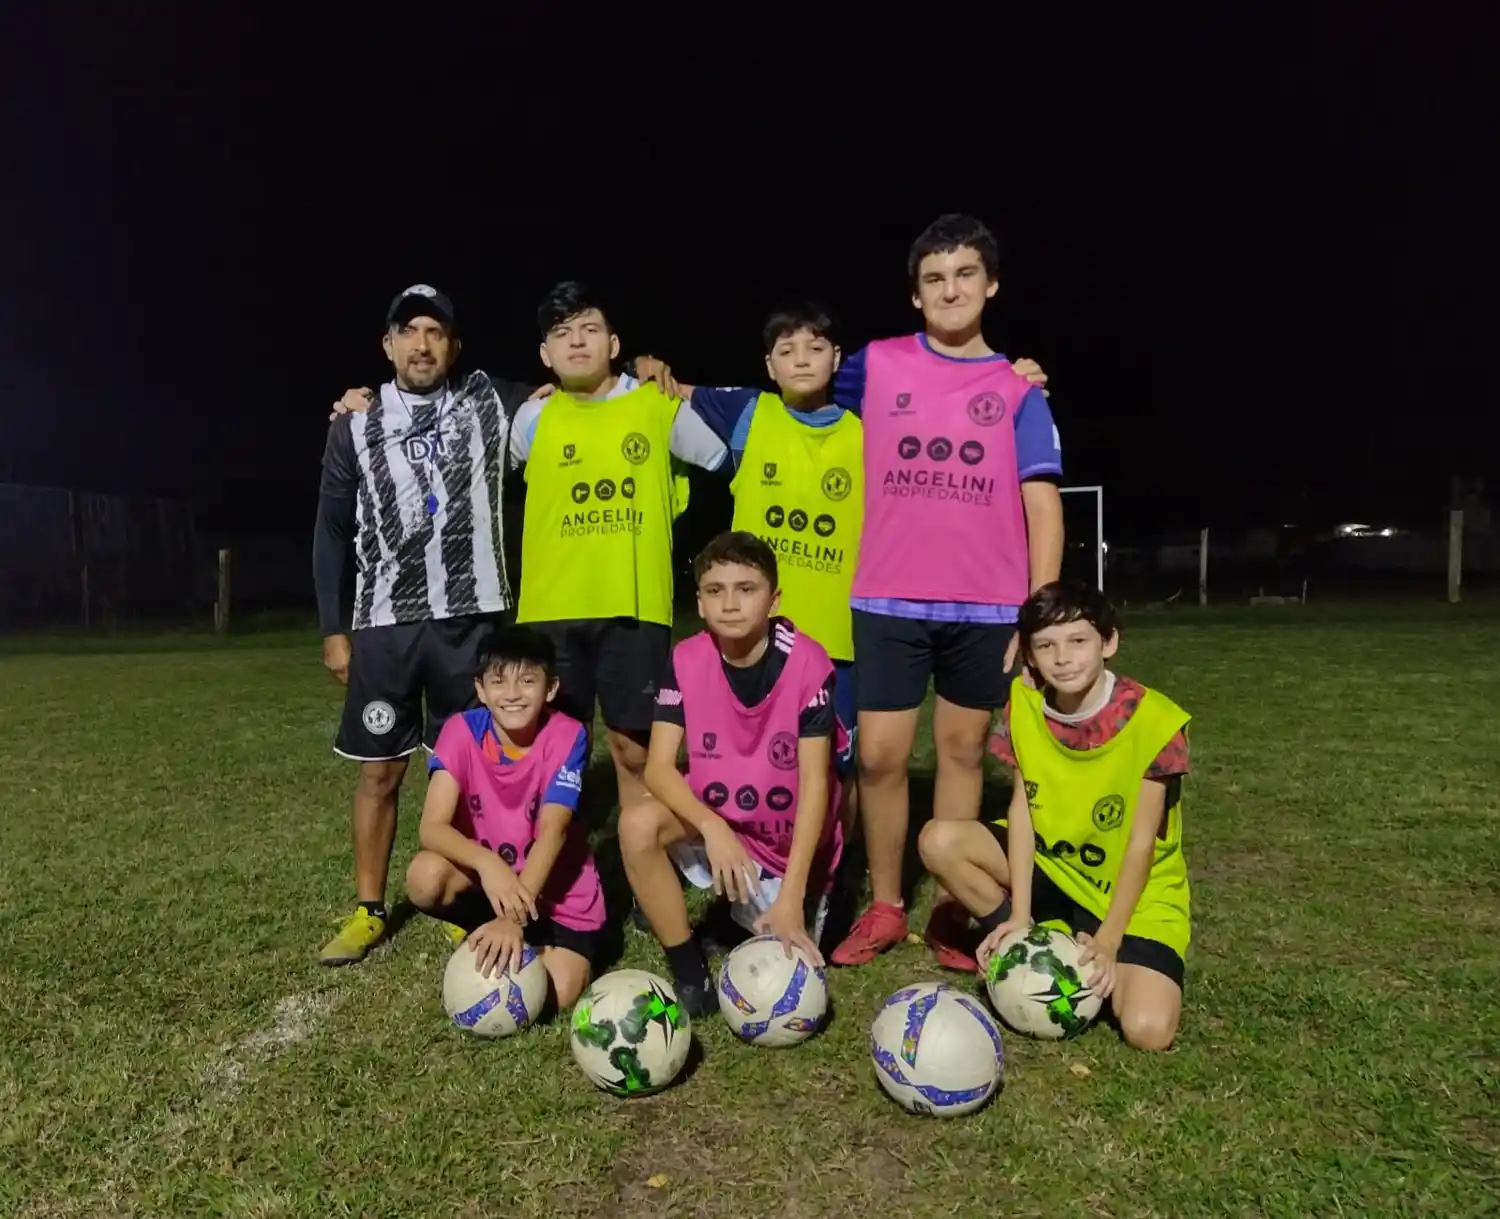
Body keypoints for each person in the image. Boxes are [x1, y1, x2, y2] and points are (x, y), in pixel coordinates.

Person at [824, 214, 1066, 970]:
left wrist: (1041, 614)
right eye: (934, 278)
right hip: (889, 599)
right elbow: (795, 376)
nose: (950, 289)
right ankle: (889, 905)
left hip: (988, 607)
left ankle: (955, 910)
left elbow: (1042, 503)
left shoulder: (1018, 389)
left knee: (963, 751)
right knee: (882, 758)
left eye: (965, 274)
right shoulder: (880, 363)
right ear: (916, 295)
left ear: (990, 285)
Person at [314, 285, 538, 965]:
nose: (421, 343)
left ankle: (455, 896)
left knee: (466, 770)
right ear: (387, 346)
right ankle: (368, 908)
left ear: (455, 346)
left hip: (471, 622)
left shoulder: (490, 404)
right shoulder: (353, 421)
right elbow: (330, 530)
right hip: (384, 625)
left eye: (435, 331)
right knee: (381, 772)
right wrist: (333, 627)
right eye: (408, 331)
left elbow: (572, 392)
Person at [917, 581, 1191, 1051]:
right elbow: (1022, 810)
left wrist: (1107, 941)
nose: (1063, 657)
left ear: (1109, 642)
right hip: (1053, 871)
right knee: (938, 840)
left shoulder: (1157, 723)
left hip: (1133, 897)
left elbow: (1141, 844)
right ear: (1029, 655)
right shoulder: (1023, 705)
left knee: (1148, 1031)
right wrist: (1020, 914)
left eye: (1078, 641)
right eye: (1046, 645)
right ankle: (1032, 941)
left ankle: (1090, 954)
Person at [509, 281, 726, 817]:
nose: (576, 342)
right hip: (550, 611)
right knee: (554, 752)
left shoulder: (656, 406)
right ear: (546, 354)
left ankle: (649, 881)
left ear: (613, 343)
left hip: (634, 609)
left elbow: (725, 461)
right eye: (562, 333)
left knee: (635, 751)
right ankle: (562, 889)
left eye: (589, 329)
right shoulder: (530, 420)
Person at [622, 531, 845, 1016]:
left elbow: (815, 789)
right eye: (715, 590)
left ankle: (778, 904)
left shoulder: (809, 663)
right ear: (699, 603)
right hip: (723, 822)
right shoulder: (686, 658)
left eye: (746, 589)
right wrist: (712, 826)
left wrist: (790, 899)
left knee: (782, 962)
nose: (730, 603)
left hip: (788, 847)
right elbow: (659, 769)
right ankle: (688, 971)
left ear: (774, 599)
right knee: (637, 823)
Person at [405, 626, 603, 1008]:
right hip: (493, 883)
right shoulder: (461, 731)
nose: (512, 695)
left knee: (555, 996)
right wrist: (486, 862)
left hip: (557, 894)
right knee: (424, 877)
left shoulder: (568, 734)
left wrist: (515, 919)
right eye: (498, 682)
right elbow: (431, 828)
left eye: (528, 681)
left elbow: (554, 831)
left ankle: (511, 932)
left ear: (550, 688)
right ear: (480, 689)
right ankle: (485, 927)